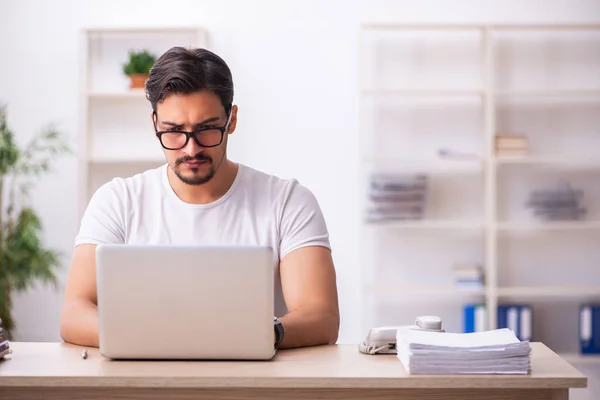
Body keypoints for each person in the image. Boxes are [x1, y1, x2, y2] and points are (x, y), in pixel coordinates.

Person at [60, 47, 340, 349]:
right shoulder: (117, 201)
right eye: (174, 131)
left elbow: (320, 316)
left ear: (231, 120)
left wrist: (257, 334)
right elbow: (74, 313)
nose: (190, 149)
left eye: (206, 130)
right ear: (155, 123)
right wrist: (163, 339)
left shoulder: (288, 202)